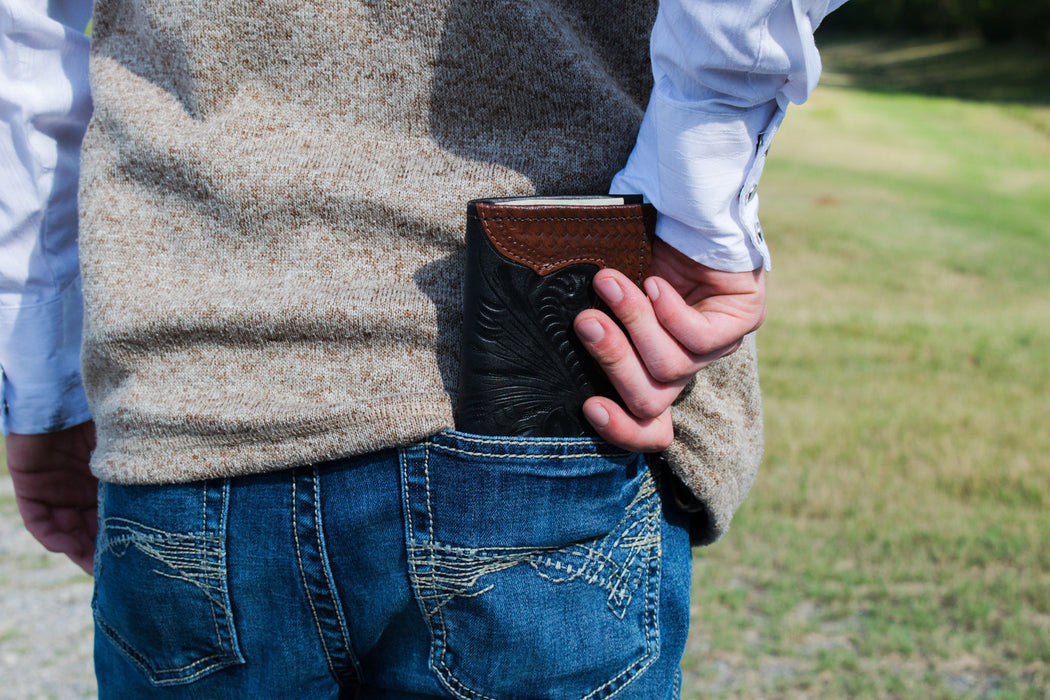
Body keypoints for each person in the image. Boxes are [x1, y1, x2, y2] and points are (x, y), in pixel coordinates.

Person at [1, 0, 846, 696]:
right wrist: (701, 204)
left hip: (189, 400)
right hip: (550, 383)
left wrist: (43, 387)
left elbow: (23, 40)